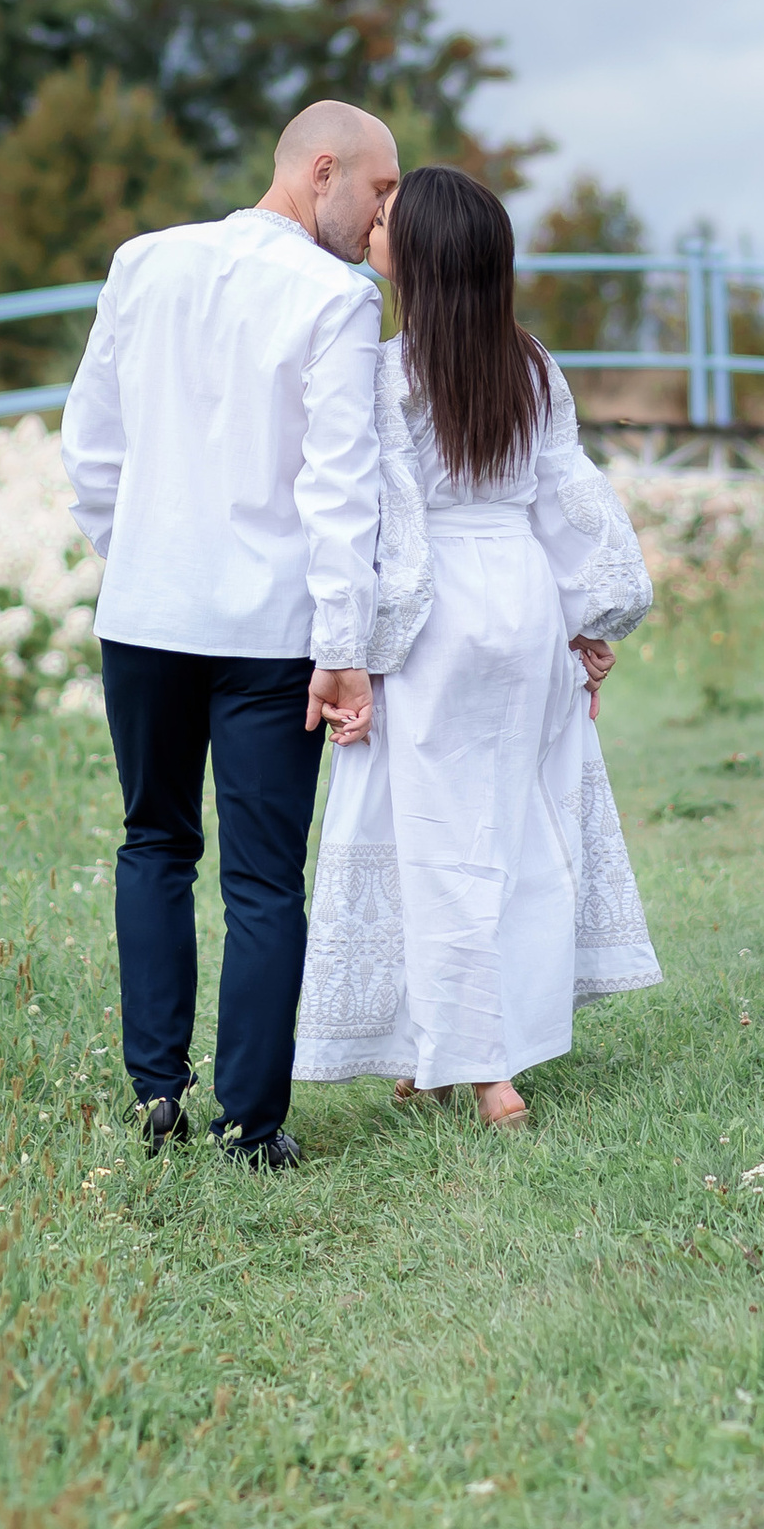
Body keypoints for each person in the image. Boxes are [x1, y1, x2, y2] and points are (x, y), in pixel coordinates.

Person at [62, 99, 401, 1168]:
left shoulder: (140, 263)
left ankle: (155, 1094)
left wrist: (143, 559)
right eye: (379, 192)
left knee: (152, 843)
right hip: (270, 629)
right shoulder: (337, 301)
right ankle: (251, 1127)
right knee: (263, 879)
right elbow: (338, 489)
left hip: (146, 616)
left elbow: (91, 450)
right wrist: (344, 645)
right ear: (320, 169)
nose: (383, 218)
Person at [294, 158, 659, 1127]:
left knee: (434, 841)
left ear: (411, 260)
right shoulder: (531, 366)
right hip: (524, 601)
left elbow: (386, 527)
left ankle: (486, 1068)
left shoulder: (388, 374)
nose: (372, 229)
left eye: (386, 225)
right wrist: (589, 620)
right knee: (518, 827)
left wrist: (360, 649)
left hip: (438, 616)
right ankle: (441, 1047)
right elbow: (568, 499)